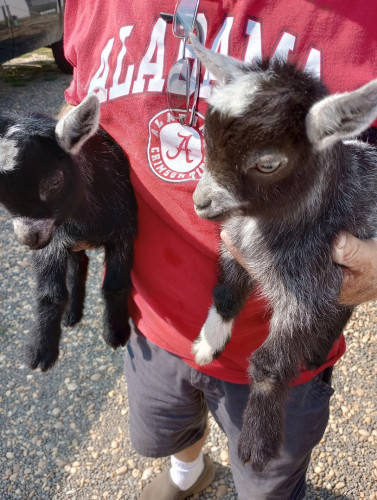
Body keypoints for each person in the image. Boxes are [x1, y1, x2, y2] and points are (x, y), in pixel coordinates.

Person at [63, 2, 377, 499]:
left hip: (286, 358)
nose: (201, 196)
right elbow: (79, 109)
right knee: (163, 433)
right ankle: (191, 471)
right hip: (153, 324)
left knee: (267, 478)